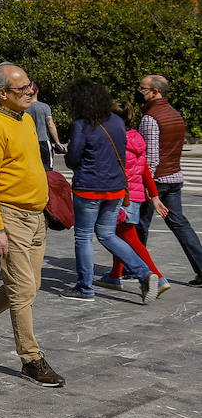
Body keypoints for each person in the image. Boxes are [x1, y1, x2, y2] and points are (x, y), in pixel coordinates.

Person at [0, 63, 64, 386]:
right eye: (22, 89)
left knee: (28, 286)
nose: (30, 92)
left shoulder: (27, 119)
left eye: (29, 85)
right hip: (11, 216)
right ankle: (30, 359)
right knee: (21, 292)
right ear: (2, 94)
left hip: (36, 216)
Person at [61, 81, 158, 304]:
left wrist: (72, 159)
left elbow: (73, 158)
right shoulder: (116, 121)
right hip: (115, 188)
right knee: (108, 234)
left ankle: (85, 287)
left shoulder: (81, 124)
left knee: (84, 236)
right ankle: (144, 273)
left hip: (89, 187)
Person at [137, 74, 202, 286]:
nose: (139, 92)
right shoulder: (175, 114)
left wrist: (149, 185)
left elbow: (151, 158)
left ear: (155, 92)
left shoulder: (150, 118)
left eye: (143, 89)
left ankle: (139, 268)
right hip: (175, 177)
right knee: (180, 224)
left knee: (139, 225)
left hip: (157, 180)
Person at [100, 101, 169, 293]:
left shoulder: (116, 142)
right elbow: (145, 170)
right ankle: (114, 276)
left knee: (128, 239)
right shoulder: (136, 138)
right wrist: (153, 196)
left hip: (122, 197)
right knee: (121, 236)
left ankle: (158, 277)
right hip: (136, 197)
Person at [25, 84, 64, 170]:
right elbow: (50, 124)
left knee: (32, 169)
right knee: (47, 169)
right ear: (37, 91)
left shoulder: (23, 108)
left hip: (29, 142)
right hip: (43, 140)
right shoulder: (44, 107)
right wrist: (58, 142)